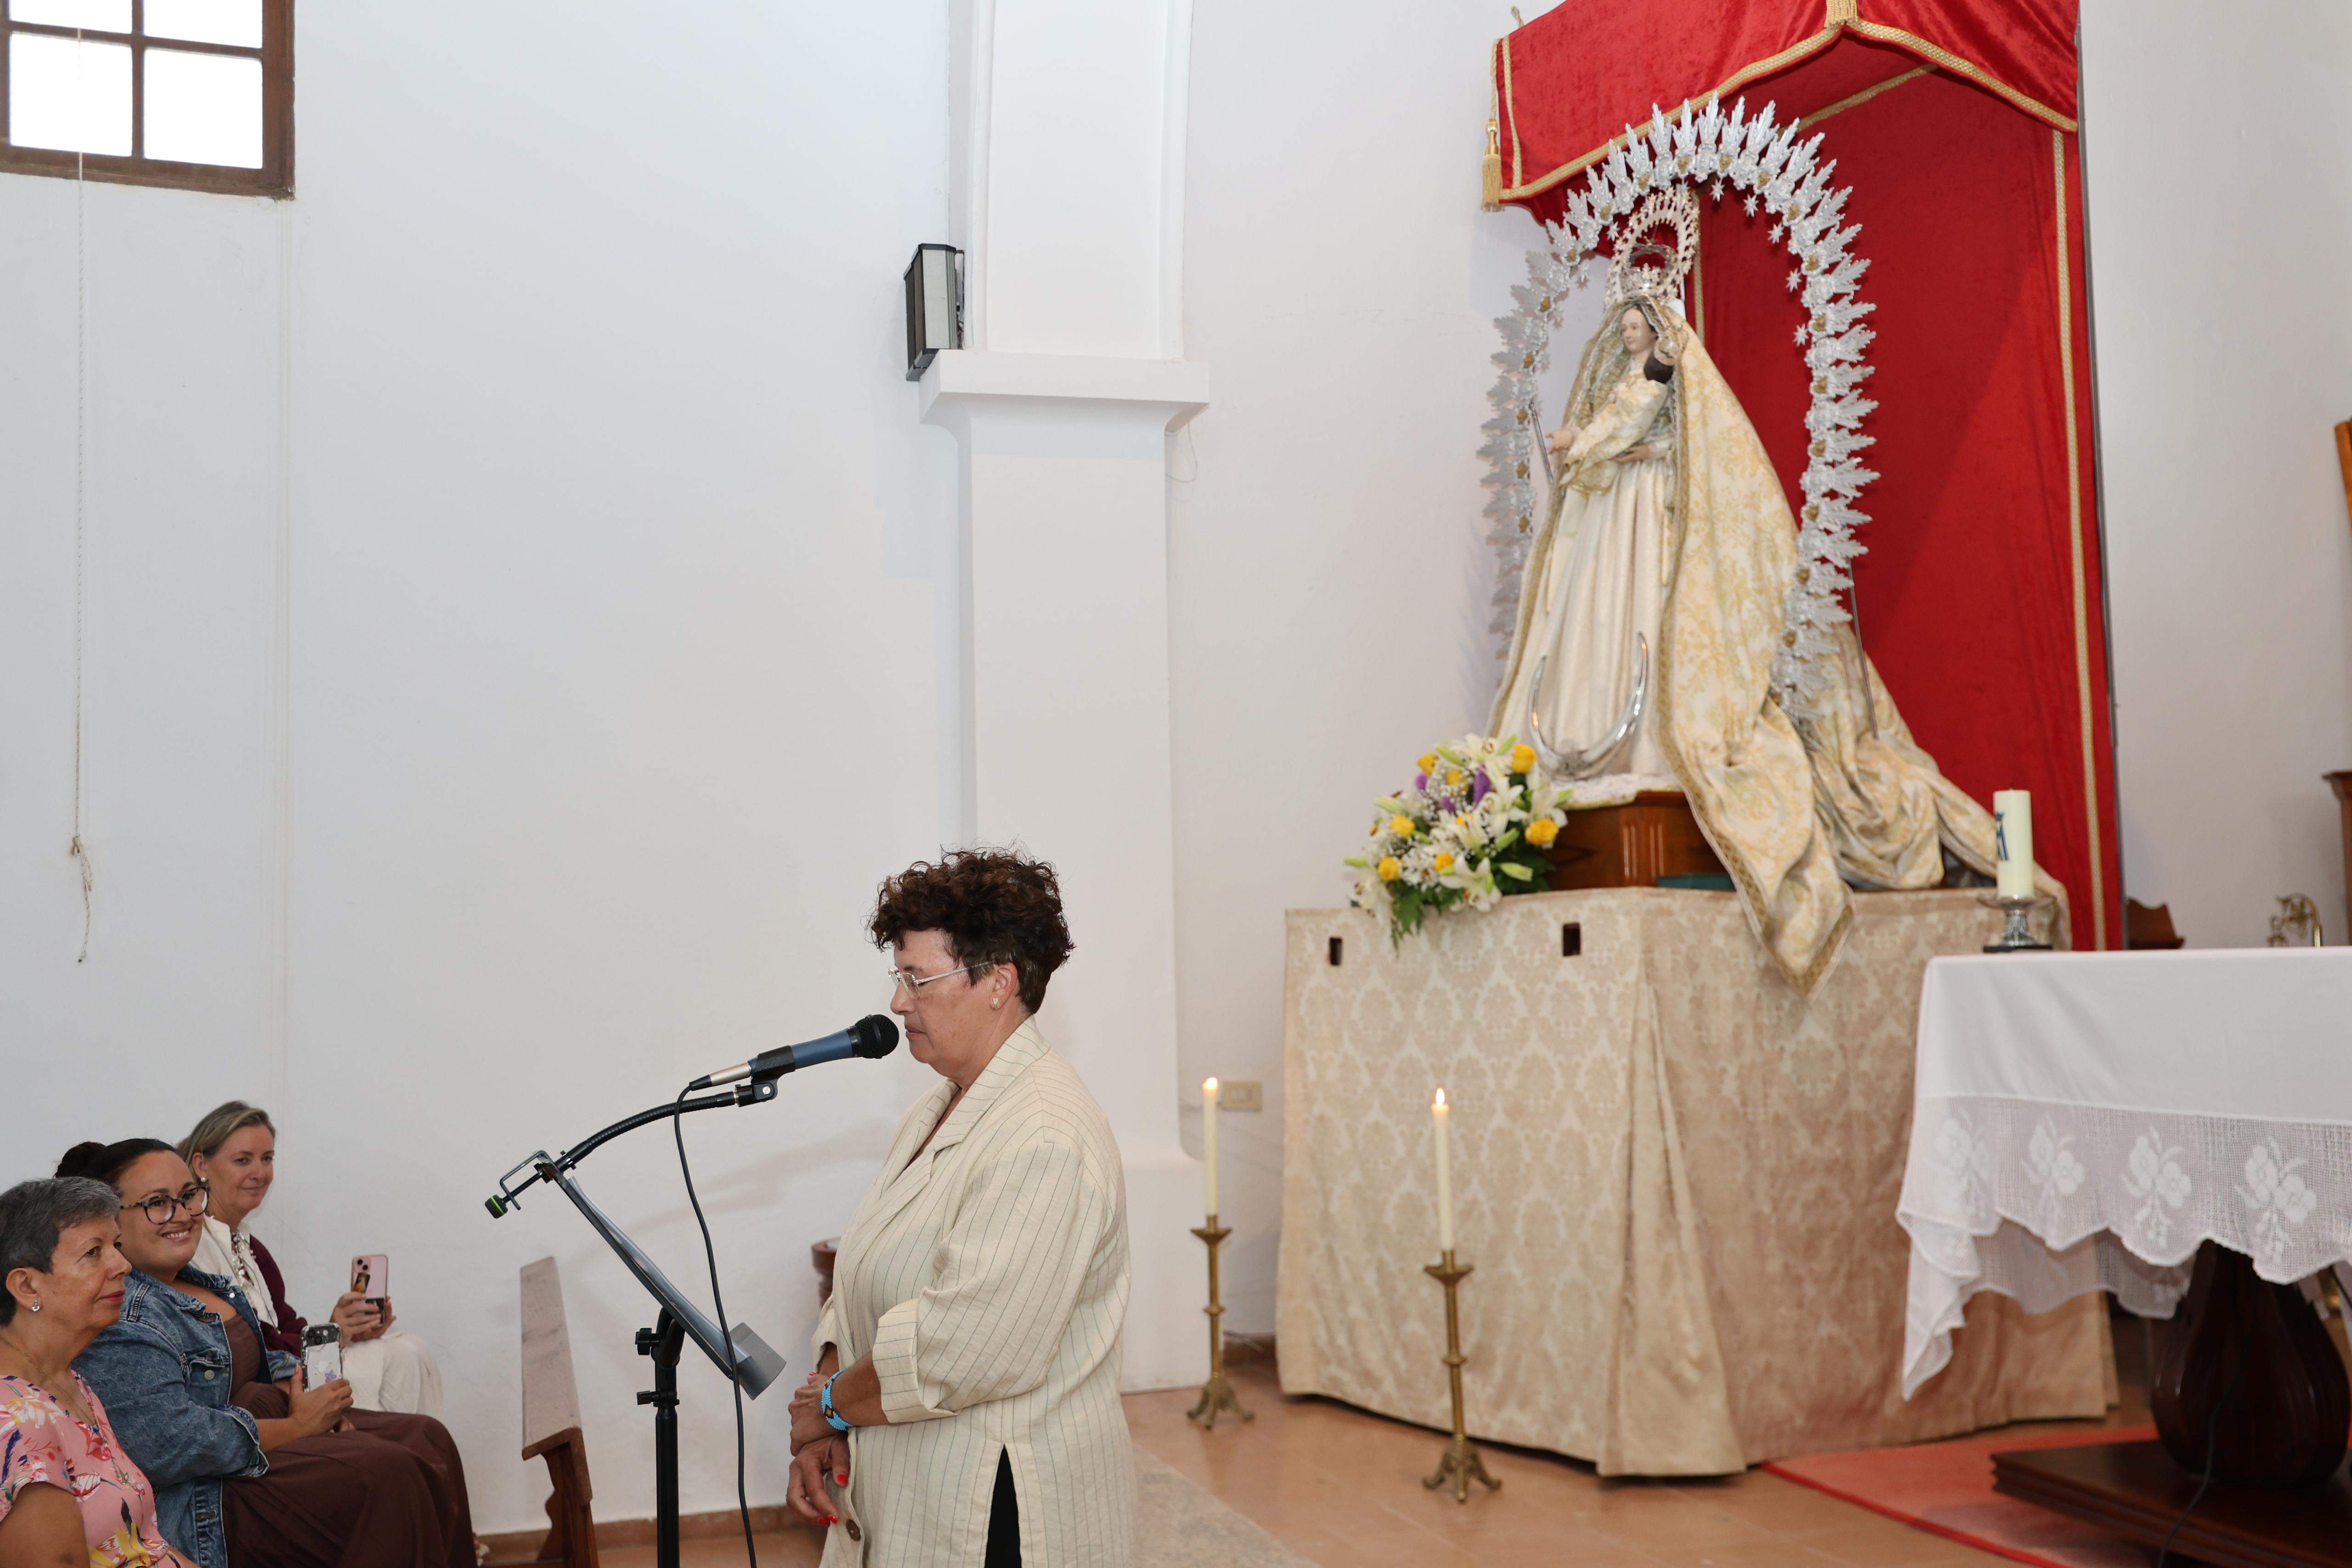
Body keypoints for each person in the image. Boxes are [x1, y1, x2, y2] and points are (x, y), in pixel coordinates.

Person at [1488, 208, 2047, 994]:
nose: (1634, 333)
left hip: (1655, 505)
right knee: (1603, 622)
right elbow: (1614, 423)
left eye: (1643, 321)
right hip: (1620, 507)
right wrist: (1587, 442)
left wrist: (1583, 442)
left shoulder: (1656, 378)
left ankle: (1659, 751)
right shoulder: (1626, 371)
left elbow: (1631, 425)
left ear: (1662, 327)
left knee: (1660, 625)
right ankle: (1589, 744)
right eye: (1627, 322)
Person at [786, 849, 1132, 1567]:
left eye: (918, 978)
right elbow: (865, 1267)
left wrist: (824, 1408)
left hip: (997, 1508)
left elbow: (960, 1348)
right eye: (898, 977)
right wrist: (827, 1400)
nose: (898, 1002)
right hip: (912, 1476)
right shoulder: (937, 1106)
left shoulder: (1044, 1136)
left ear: (999, 982)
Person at [58, 1139, 475, 1568]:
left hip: (260, 1428)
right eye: (157, 1203)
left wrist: (314, 1399)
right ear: (112, 1222)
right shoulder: (123, 1312)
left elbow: (259, 1355)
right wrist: (300, 1426)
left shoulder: (199, 1280)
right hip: (210, 1488)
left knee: (429, 1437)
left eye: (187, 1196)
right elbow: (169, 1444)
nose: (181, 1214)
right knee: (385, 1471)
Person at [182, 1102, 445, 1417]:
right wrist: (334, 1335)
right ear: (201, 1165)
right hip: (257, 1384)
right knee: (404, 1355)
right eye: (243, 1160)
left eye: (267, 1158)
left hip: (287, 1367)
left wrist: (346, 1331)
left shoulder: (250, 1246)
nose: (260, 1173)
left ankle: (401, 1456)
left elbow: (286, 1326)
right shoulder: (193, 1243)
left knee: (410, 1348)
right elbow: (244, 1348)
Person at [0, 1177, 190, 1567]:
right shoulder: (17, 1421)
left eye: (116, 1246)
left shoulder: (69, 1383)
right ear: (27, 1286)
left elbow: (145, 1546)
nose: (122, 1265)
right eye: (93, 1252)